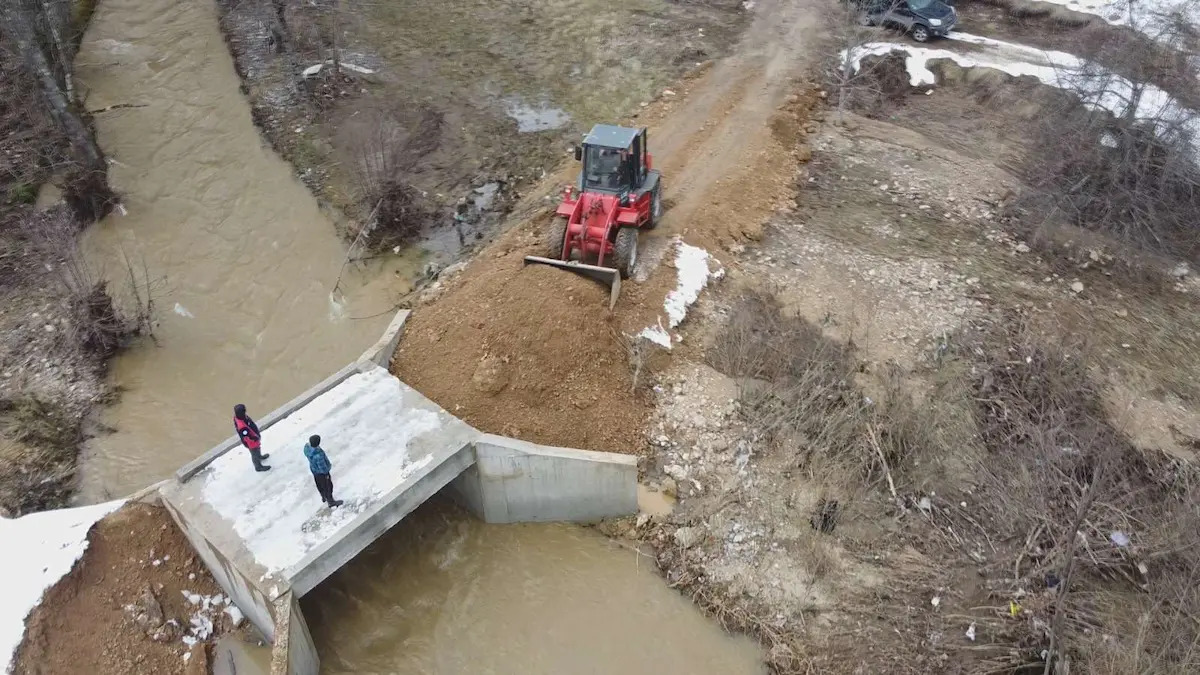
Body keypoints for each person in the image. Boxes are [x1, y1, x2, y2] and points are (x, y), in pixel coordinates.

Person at [303, 434, 342, 507]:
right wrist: (326, 473)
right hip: (322, 474)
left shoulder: (307, 449)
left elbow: (306, 449)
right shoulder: (318, 454)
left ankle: (323, 496)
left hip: (314, 471)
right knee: (328, 486)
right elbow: (322, 467)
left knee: (319, 485)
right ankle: (331, 501)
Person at [233, 404, 270, 472]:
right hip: (251, 442)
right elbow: (246, 435)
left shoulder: (240, 417)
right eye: (244, 411)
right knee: (254, 453)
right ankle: (258, 467)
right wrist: (254, 438)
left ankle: (260, 456)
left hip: (254, 437)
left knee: (257, 449)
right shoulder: (241, 426)